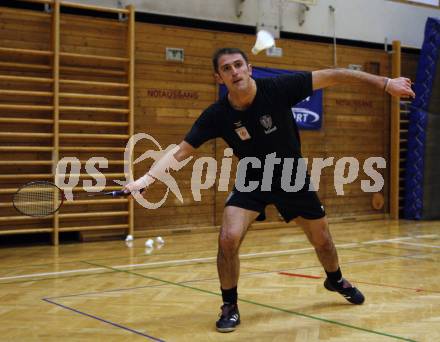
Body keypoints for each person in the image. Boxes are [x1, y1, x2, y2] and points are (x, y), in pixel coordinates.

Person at [124, 47, 415, 333]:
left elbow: (335, 75)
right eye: (227, 68)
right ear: (218, 78)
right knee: (228, 239)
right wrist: (146, 180)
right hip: (253, 180)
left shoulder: (278, 88)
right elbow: (181, 151)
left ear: (250, 69)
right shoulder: (216, 115)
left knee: (323, 242)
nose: (234, 71)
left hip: (292, 177)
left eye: (239, 65)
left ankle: (335, 279)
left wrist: (386, 83)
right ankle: (229, 305)